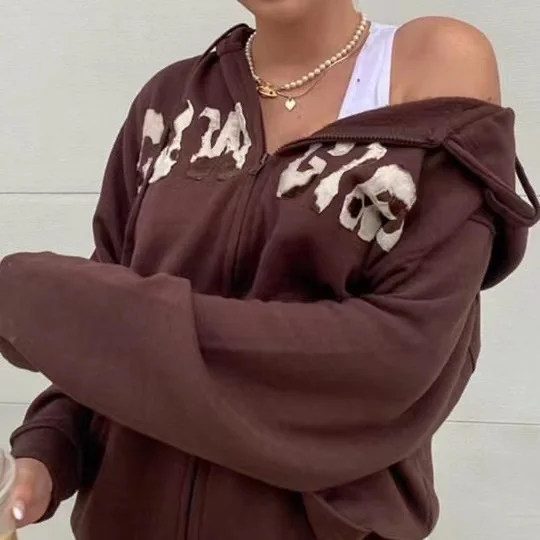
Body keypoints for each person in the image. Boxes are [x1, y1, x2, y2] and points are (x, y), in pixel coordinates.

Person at [0, 0, 538, 538]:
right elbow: (104, 337)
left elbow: (399, 353)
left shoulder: (434, 64)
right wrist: (47, 453)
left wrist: (35, 297)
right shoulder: (170, 100)